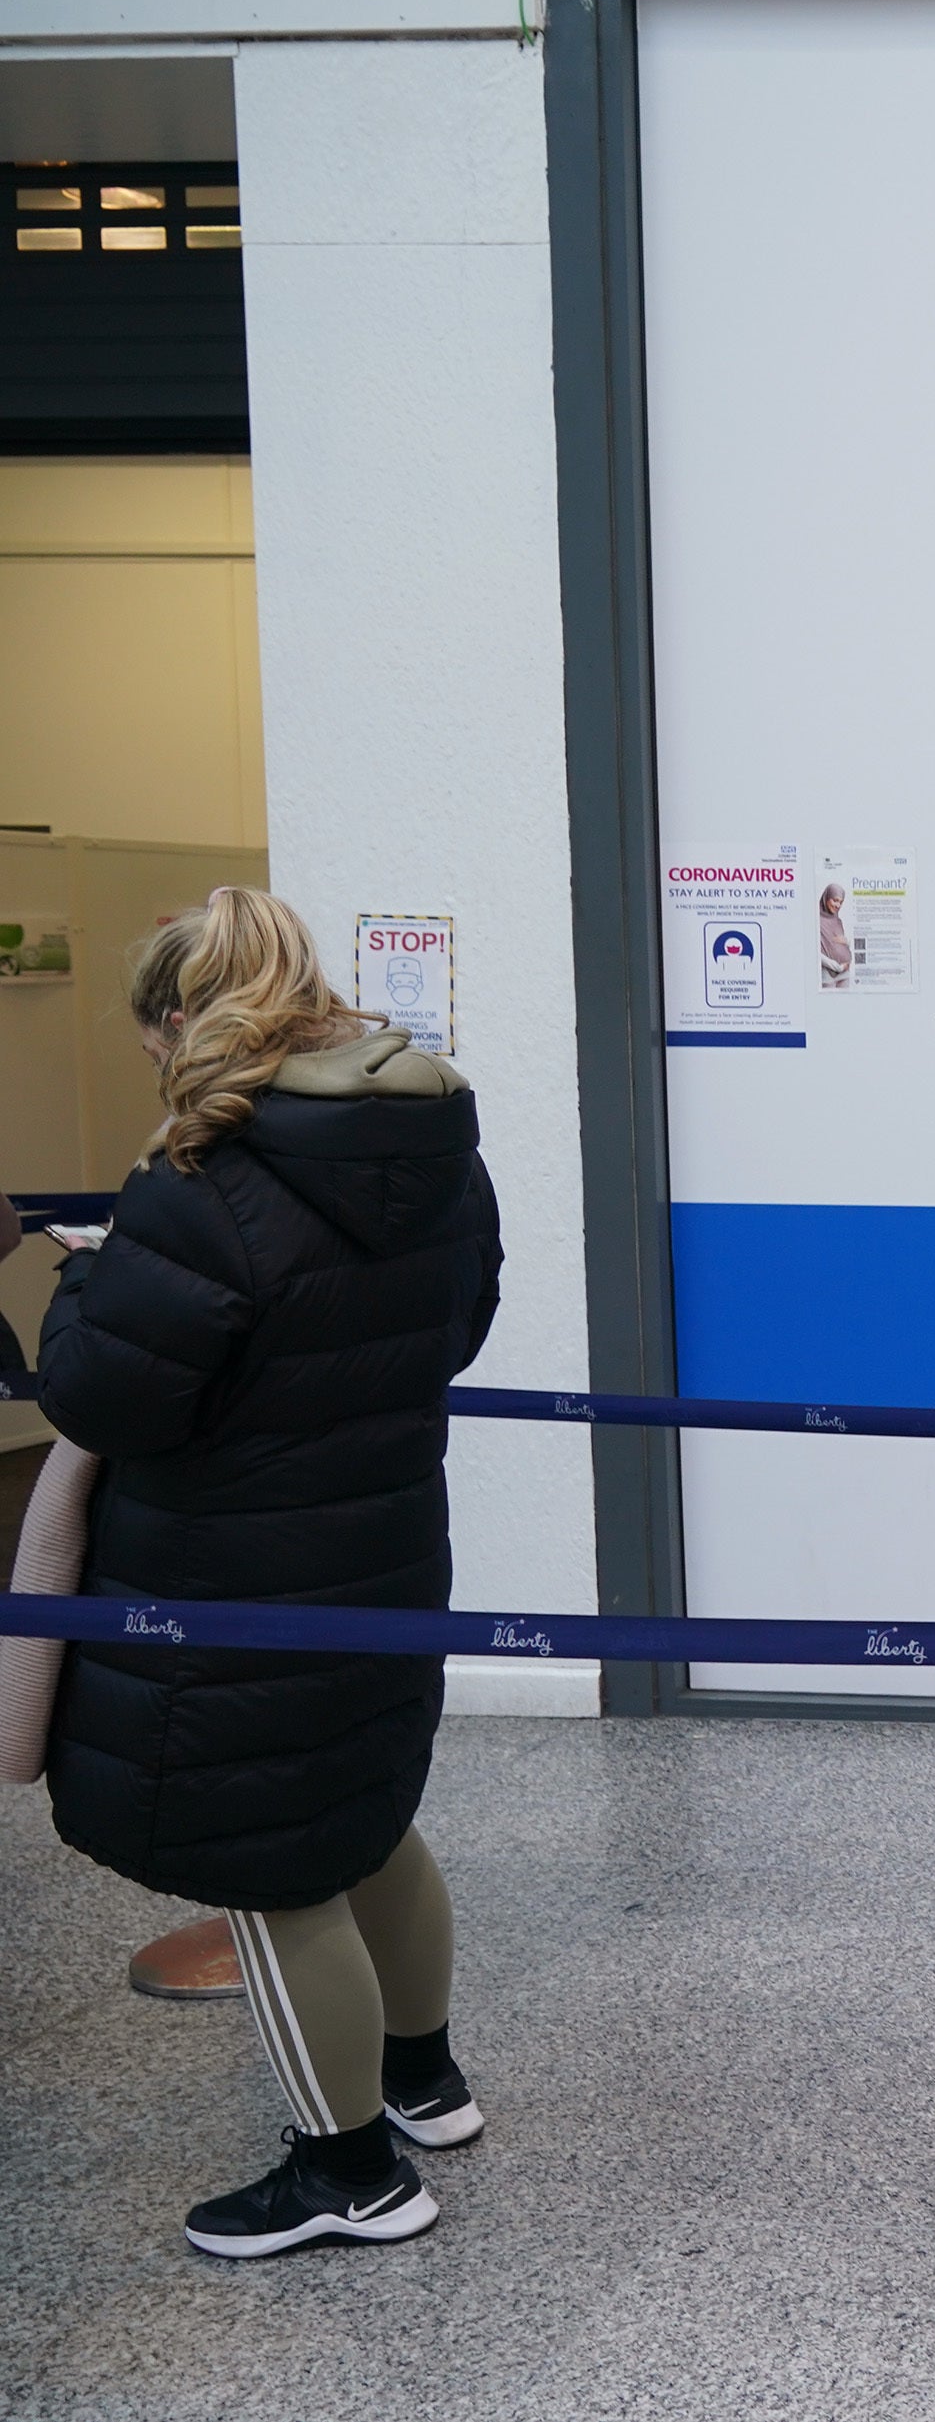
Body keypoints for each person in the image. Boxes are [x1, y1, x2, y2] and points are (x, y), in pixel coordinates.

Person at [35, 887, 503, 2258]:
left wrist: (89, 1279)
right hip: (385, 1546)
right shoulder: (434, 1146)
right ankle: (424, 2079)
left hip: (229, 1575)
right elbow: (459, 1325)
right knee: (365, 1817)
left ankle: (350, 2171)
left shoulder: (198, 1186)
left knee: (271, 1869)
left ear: (186, 1019)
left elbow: (106, 1396)